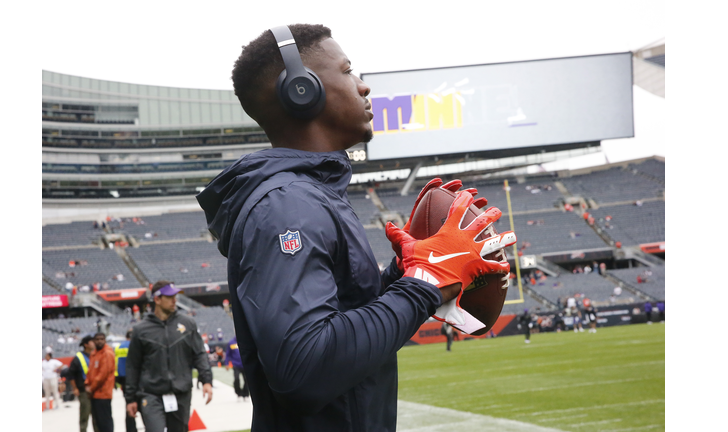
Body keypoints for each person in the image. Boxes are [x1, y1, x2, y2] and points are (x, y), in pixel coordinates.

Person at [195, 24, 514, 431]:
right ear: (301, 89)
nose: (363, 87)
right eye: (348, 71)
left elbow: (341, 334)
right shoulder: (288, 204)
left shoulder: (310, 195)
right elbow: (304, 369)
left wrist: (403, 275)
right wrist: (423, 285)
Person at [124, 281, 213, 432]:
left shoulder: (188, 323)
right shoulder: (141, 330)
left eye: (175, 296)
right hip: (151, 393)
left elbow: (199, 354)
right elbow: (133, 365)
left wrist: (206, 380)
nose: (174, 300)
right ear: (157, 299)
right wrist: (131, 399)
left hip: (181, 392)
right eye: (169, 296)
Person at [68, 335, 100, 432]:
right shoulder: (78, 358)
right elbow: (71, 375)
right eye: (92, 342)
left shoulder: (96, 354)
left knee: (97, 415)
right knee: (84, 414)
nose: (94, 343)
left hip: (96, 390)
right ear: (86, 345)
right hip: (83, 391)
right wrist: (75, 388)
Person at [85, 332, 115, 432]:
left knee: (105, 422)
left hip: (103, 393)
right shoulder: (94, 354)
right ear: (94, 341)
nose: (99, 341)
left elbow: (102, 375)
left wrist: (91, 388)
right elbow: (90, 372)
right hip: (94, 394)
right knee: (98, 423)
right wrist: (87, 384)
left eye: (102, 339)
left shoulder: (107, 353)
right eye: (97, 339)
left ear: (105, 340)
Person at [114, 330, 136, 432]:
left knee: (128, 405)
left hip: (124, 380)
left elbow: (116, 364)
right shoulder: (137, 345)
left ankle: (131, 429)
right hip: (137, 379)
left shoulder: (118, 347)